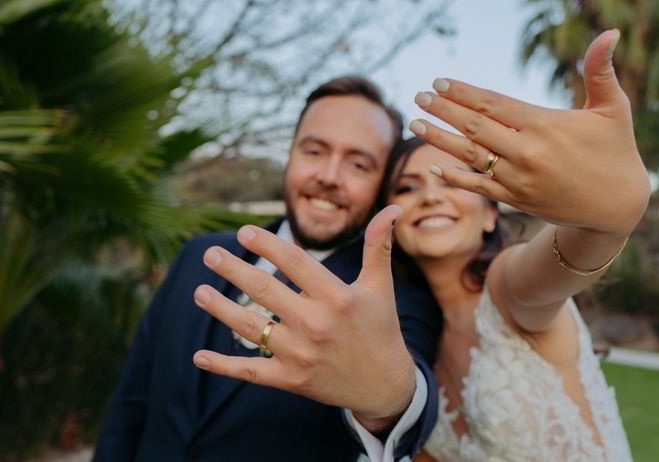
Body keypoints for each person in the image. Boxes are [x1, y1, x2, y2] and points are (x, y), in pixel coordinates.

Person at [194, 30, 648, 461]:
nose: (430, 196)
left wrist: (604, 221)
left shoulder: (510, 290)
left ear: (490, 210)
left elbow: (560, 262)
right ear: (385, 218)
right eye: (407, 189)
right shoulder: (411, 327)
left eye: (452, 182)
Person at [95, 76, 443, 461]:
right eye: (314, 151)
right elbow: (131, 402)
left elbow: (406, 387)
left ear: (380, 185)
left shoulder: (392, 299)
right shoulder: (200, 254)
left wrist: (390, 397)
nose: (328, 176)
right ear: (291, 154)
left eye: (358, 164)